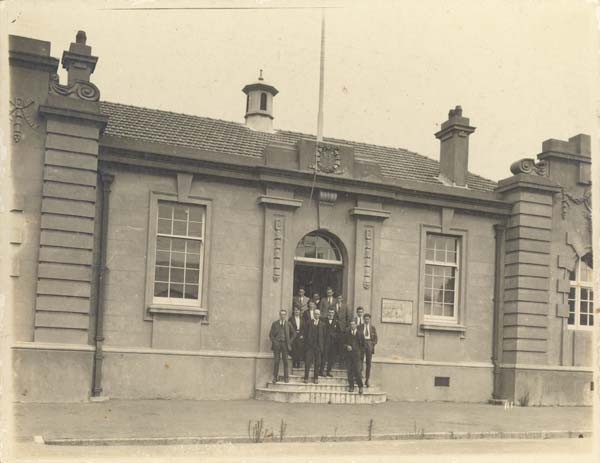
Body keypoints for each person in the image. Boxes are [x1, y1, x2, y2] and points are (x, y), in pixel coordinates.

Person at [269, 309, 295, 384]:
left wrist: (289, 341)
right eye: (281, 314)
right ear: (279, 315)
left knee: (285, 361)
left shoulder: (288, 324)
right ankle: (275, 377)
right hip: (277, 344)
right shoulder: (275, 323)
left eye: (284, 314)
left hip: (285, 344)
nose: (282, 316)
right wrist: (274, 342)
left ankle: (286, 377)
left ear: (285, 315)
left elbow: (294, 334)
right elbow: (271, 335)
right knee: (276, 361)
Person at [303, 308, 325, 384]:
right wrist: (306, 345)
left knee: (317, 363)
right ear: (313, 314)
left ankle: (316, 378)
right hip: (310, 346)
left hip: (318, 347)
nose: (317, 315)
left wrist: (321, 346)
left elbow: (323, 336)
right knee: (307, 362)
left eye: (318, 314)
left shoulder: (322, 324)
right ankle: (306, 377)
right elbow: (305, 334)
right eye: (315, 313)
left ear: (320, 315)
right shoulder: (309, 322)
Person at [343, 319, 364, 394]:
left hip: (357, 356)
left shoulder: (360, 334)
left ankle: (360, 387)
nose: (352, 326)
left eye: (353, 324)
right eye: (351, 324)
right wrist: (347, 346)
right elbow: (343, 343)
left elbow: (363, 346)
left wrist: (361, 355)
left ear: (356, 325)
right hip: (349, 356)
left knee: (358, 372)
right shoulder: (347, 333)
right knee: (350, 372)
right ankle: (351, 386)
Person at [320, 307, 341, 377]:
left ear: (334, 313)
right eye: (329, 312)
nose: (331, 314)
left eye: (332, 312)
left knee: (331, 358)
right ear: (327, 312)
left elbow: (339, 333)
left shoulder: (336, 322)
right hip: (325, 342)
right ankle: (321, 371)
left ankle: (328, 371)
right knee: (324, 357)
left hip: (333, 343)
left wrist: (334, 335)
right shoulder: (323, 321)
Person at [360, 313, 378, 387]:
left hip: (369, 344)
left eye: (368, 319)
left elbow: (376, 338)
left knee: (368, 363)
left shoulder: (372, 328)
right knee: (360, 361)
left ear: (370, 320)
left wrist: (372, 344)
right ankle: (360, 377)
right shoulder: (360, 327)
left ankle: (367, 380)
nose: (366, 320)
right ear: (363, 319)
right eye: (365, 319)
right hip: (362, 344)